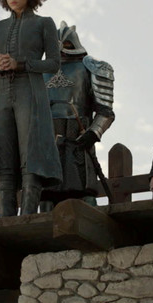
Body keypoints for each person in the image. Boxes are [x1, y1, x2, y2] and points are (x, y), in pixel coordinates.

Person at [0, 0, 62, 216]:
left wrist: (21, 64)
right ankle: (5, 221)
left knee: (31, 155)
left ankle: (28, 217)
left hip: (30, 91)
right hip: (0, 95)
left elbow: (54, 63)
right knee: (3, 158)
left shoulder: (44, 23)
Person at [40, 22, 115, 209]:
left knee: (83, 189)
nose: (60, 48)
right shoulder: (40, 71)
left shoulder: (91, 67)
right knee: (47, 192)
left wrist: (93, 133)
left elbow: (105, 111)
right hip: (47, 135)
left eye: (65, 44)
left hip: (78, 132)